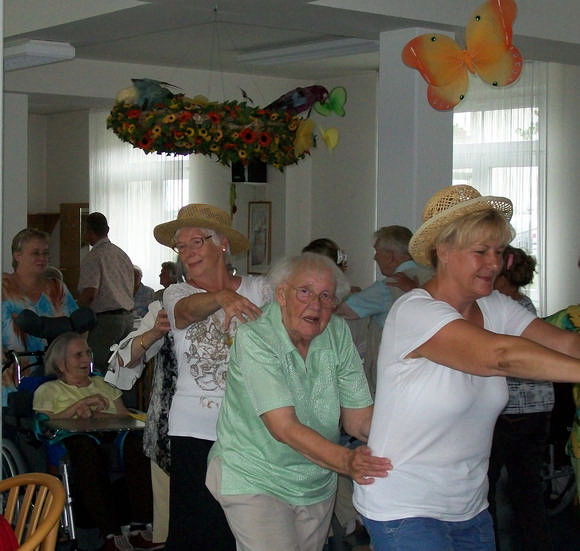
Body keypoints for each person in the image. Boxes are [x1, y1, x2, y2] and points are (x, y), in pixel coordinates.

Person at [353, 184, 580, 551]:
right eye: (481, 252)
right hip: (405, 507)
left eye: (499, 251)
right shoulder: (414, 311)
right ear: (443, 251)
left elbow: (567, 343)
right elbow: (499, 356)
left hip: (470, 508)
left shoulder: (495, 307)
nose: (494, 264)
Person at [207, 253, 391, 551]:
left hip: (315, 480)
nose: (315, 305)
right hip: (255, 474)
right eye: (304, 291)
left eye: (326, 296)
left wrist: (405, 435)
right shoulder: (256, 335)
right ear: (281, 294)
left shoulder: (337, 333)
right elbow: (283, 427)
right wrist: (347, 461)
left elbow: (359, 419)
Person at [152, 203, 273, 551]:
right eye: (182, 246)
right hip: (195, 428)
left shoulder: (261, 290)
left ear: (222, 245)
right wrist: (222, 296)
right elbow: (184, 313)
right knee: (198, 531)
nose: (188, 252)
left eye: (197, 241)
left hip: (253, 429)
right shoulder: (179, 292)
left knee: (247, 530)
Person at [32, 332, 153, 551]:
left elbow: (124, 416)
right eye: (78, 355)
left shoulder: (102, 383)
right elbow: (44, 423)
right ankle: (110, 532)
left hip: (109, 437)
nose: (86, 359)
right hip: (74, 441)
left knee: (138, 447)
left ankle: (140, 525)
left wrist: (99, 414)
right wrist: (78, 407)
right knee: (88, 453)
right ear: (60, 363)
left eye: (88, 352)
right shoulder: (47, 390)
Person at [487, 246, 555, 550]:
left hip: (508, 409)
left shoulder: (499, 310)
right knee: (527, 489)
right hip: (539, 409)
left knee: (485, 489)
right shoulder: (525, 305)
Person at [336, 226, 432, 396]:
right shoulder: (432, 275)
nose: (374, 257)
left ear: (390, 256)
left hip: (394, 381)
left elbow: (344, 309)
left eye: (377, 252)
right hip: (429, 376)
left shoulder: (389, 286)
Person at [2, 228, 78, 404]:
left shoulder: (57, 288)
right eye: (35, 253)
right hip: (10, 374)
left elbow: (77, 326)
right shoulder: (3, 287)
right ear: (17, 255)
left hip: (53, 376)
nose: (42, 258)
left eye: (45, 253)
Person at [77, 212, 135, 374]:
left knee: (99, 369)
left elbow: (90, 293)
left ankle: (102, 399)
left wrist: (75, 309)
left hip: (106, 322)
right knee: (122, 369)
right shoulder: (121, 254)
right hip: (128, 318)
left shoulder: (94, 256)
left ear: (88, 231)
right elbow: (133, 285)